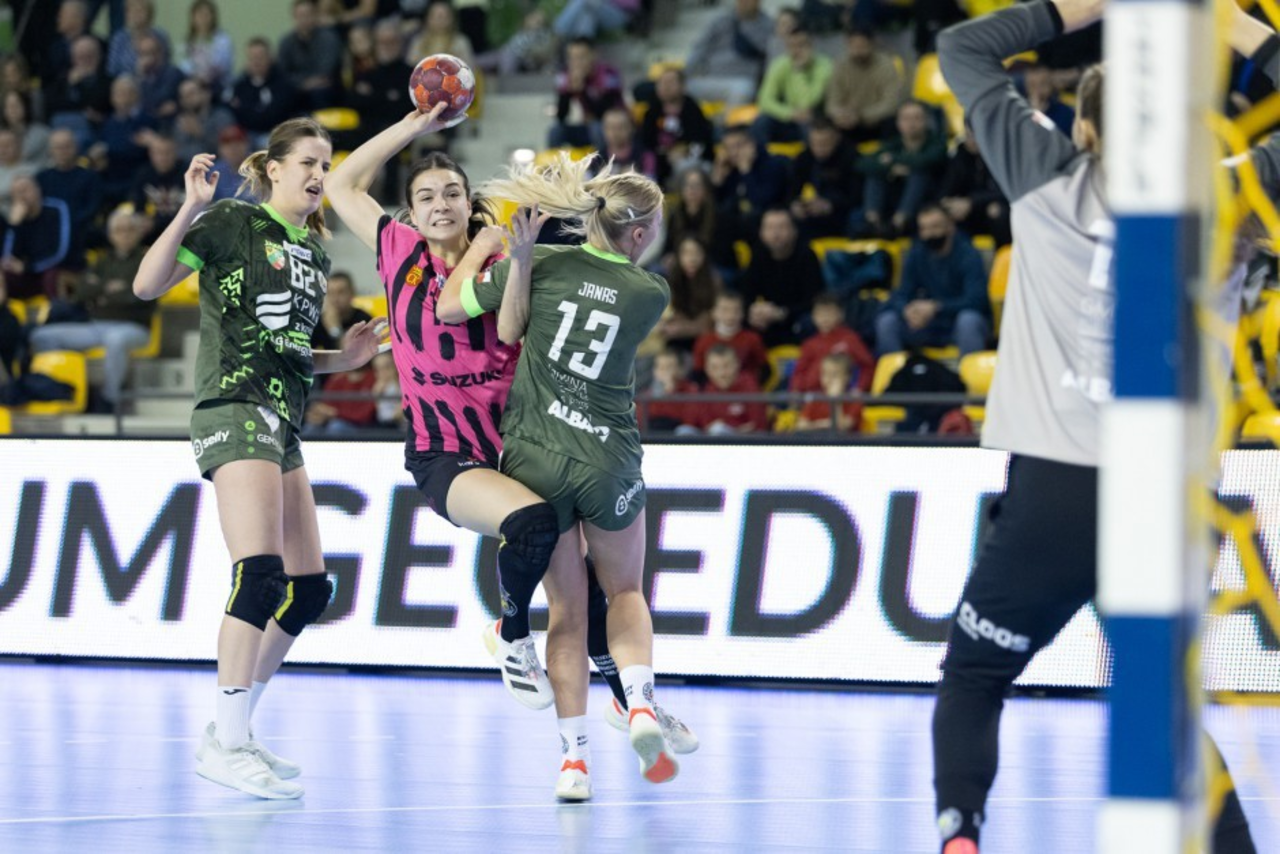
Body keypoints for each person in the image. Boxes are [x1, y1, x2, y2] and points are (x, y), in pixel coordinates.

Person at [933, 2, 1255, 852]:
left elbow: (962, 45)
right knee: (1166, 708)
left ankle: (960, 834)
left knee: (976, 675)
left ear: (1083, 129)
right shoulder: (1233, 199)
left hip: (1060, 487)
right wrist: (1235, 27)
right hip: (1176, 494)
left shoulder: (1046, 173)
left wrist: (1100, 6)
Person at [325, 107, 698, 791]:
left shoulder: (506, 260)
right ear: (410, 210)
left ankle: (628, 704)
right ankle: (514, 635)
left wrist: (511, 255)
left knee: (583, 596)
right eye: (425, 196)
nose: (440, 204)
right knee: (539, 532)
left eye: (452, 193)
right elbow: (342, 184)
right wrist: (415, 124)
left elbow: (507, 325)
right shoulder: (397, 248)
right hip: (444, 450)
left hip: (517, 449)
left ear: (471, 203)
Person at [132, 117, 384, 800]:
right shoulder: (231, 223)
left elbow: (290, 350)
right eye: (309, 162)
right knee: (261, 573)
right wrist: (191, 206)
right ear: (273, 169)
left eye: (327, 165)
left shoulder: (315, 253)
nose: (320, 175)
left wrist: (345, 360)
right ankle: (228, 739)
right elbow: (147, 285)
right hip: (234, 404)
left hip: (284, 418)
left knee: (310, 589)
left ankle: (233, 730)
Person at [438, 153, 688, 795]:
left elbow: (453, 308)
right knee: (624, 592)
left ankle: (574, 762)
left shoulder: (545, 262)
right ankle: (638, 704)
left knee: (568, 612)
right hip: (608, 458)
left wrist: (504, 254)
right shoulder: (650, 293)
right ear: (639, 233)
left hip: (537, 455)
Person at [28, 207, 153, 411]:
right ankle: (60, 390)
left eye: (130, 229)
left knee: (115, 340)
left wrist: (100, 289)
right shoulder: (102, 260)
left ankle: (109, 400)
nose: (125, 234)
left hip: (134, 327)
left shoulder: (148, 258)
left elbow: (138, 296)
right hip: (96, 325)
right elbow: (81, 292)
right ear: (110, 235)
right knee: (42, 336)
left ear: (139, 232)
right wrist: (109, 288)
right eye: (119, 230)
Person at [874, 204, 990, 357]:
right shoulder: (916, 252)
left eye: (935, 227)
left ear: (950, 227)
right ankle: (897, 372)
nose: (929, 234)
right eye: (924, 229)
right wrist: (908, 311)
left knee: (969, 321)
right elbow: (901, 293)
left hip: (955, 322)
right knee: (887, 321)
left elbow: (977, 300)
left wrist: (936, 307)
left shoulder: (968, 254)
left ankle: (971, 372)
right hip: (926, 324)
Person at [855, 99, 947, 237]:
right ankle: (872, 222)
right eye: (906, 118)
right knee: (875, 173)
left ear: (927, 121)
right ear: (898, 122)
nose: (911, 124)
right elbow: (862, 164)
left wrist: (893, 159)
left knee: (918, 174)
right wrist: (892, 169)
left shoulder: (937, 142)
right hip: (894, 199)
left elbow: (926, 161)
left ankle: (900, 222)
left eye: (917, 118)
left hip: (927, 202)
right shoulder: (893, 144)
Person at [736, 207, 825, 348]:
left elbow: (813, 300)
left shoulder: (807, 256)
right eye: (770, 228)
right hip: (769, 318)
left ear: (794, 231)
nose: (775, 234)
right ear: (761, 233)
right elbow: (747, 293)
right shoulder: (758, 255)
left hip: (796, 317)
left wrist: (782, 313)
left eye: (782, 227)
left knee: (811, 322)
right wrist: (753, 311)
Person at [752, 26, 833, 146]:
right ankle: (761, 156)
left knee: (809, 122)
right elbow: (764, 100)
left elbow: (809, 103)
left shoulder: (825, 66)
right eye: (792, 46)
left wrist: (800, 71)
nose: (796, 51)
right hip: (788, 116)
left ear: (811, 46)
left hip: (815, 116)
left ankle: (809, 157)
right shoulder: (780, 64)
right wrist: (789, 113)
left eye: (801, 45)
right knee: (761, 122)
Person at [684, 0, 773, 107]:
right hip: (710, 78)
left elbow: (771, 57)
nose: (744, 2)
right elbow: (700, 49)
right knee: (677, 87)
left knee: (743, 89)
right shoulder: (720, 21)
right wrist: (684, 74)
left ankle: (726, 119)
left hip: (741, 81)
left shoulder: (768, 26)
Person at [824, 27, 905, 145]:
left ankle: (887, 153)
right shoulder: (840, 65)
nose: (858, 51)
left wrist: (861, 115)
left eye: (862, 46)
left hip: (876, 122)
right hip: (848, 122)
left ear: (872, 44)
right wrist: (840, 114)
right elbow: (832, 102)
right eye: (854, 46)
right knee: (826, 124)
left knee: (891, 121)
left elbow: (891, 104)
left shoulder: (886, 65)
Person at [639, 67, 714, 189]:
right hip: (661, 166)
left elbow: (701, 142)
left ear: (682, 86)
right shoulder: (652, 112)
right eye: (662, 82)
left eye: (671, 82)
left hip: (690, 163)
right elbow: (646, 144)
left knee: (689, 168)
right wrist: (666, 153)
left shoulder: (693, 110)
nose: (666, 86)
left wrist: (684, 151)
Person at [549, 38, 625, 150]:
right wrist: (568, 92)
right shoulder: (565, 75)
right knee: (556, 131)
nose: (576, 63)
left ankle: (602, 160)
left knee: (597, 127)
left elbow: (605, 113)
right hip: (587, 127)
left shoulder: (608, 74)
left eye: (581, 57)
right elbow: (561, 116)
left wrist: (582, 90)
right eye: (572, 58)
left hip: (615, 127)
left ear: (593, 55)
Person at [792, 291, 874, 394]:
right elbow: (799, 372)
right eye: (820, 314)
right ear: (813, 316)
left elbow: (867, 366)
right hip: (812, 395)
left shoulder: (849, 338)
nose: (825, 318)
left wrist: (859, 388)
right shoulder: (809, 344)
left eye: (830, 313)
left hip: (841, 395)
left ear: (840, 315)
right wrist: (796, 392)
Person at [686, 342, 768, 434]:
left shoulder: (750, 386)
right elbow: (705, 425)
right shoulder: (706, 390)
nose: (722, 373)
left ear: (737, 364)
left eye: (727, 366)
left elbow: (758, 425)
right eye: (714, 367)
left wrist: (732, 430)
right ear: (707, 369)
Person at [278, 0, 344, 110]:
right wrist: (304, 83)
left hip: (325, 88)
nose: (304, 19)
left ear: (315, 16)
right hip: (297, 87)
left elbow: (326, 70)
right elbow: (283, 72)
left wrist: (304, 82)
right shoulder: (286, 42)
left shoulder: (329, 38)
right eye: (301, 15)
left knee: (320, 93)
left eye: (308, 15)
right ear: (294, 17)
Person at [692, 291, 767, 383]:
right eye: (725, 310)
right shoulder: (703, 341)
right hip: (713, 389)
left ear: (743, 313)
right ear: (714, 313)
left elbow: (763, 368)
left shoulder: (752, 339)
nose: (730, 316)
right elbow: (698, 374)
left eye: (736, 310)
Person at [178, 0, 235, 95]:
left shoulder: (223, 40)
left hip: (216, 85)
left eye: (206, 15)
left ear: (213, 17)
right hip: (193, 82)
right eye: (199, 15)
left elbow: (220, 66)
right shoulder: (188, 40)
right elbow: (183, 64)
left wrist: (201, 76)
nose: (202, 19)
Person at [795, 352, 860, 432]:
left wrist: (835, 400)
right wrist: (825, 425)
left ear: (847, 377)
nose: (828, 379)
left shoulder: (854, 401)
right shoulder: (815, 399)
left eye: (834, 375)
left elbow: (841, 428)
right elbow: (801, 426)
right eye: (825, 374)